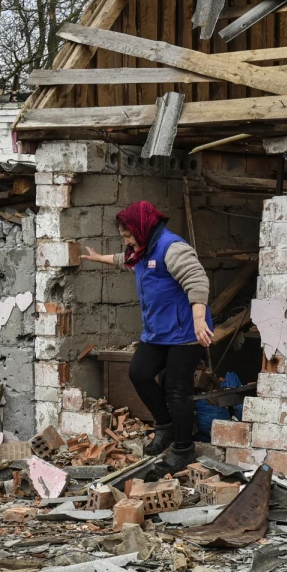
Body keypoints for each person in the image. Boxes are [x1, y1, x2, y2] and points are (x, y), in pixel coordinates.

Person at [82, 201, 213, 471]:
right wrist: (99, 258)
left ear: (143, 228)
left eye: (128, 235)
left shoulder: (171, 248)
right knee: (139, 373)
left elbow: (197, 280)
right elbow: (125, 261)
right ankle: (165, 426)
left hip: (186, 333)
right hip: (157, 332)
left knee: (176, 390)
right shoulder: (141, 251)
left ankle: (184, 448)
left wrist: (199, 321)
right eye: (124, 237)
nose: (127, 242)